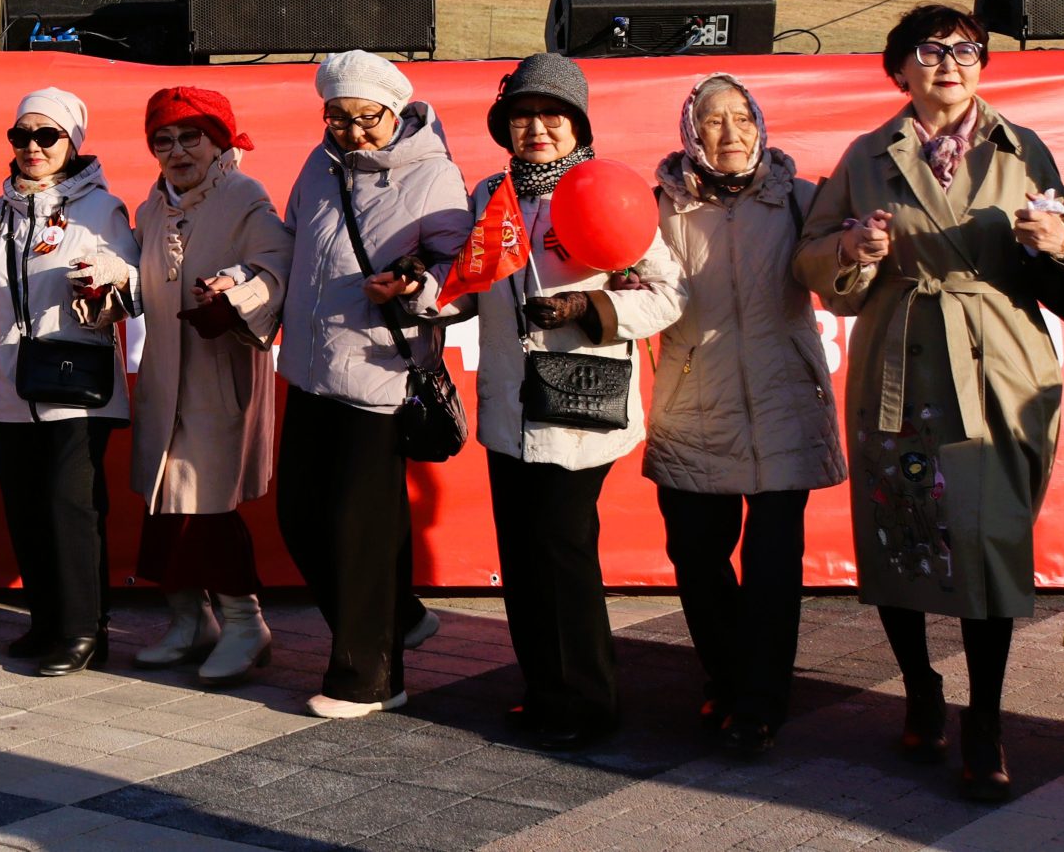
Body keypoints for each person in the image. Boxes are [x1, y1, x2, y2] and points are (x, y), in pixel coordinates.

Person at [794, 5, 1064, 800]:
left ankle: (985, 718)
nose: (950, 61)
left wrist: (1063, 243)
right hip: (904, 362)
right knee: (900, 530)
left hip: (1002, 364)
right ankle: (921, 687)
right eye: (930, 48)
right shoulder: (866, 154)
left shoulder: (1025, 146)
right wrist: (852, 249)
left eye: (966, 49)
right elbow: (811, 257)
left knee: (990, 541)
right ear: (899, 68)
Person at [385, 53, 682, 750]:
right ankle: (545, 692)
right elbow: (467, 288)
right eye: (522, 117)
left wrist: (591, 308)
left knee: (563, 552)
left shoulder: (606, 188)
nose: (538, 129)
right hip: (510, 408)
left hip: (580, 408)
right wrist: (419, 291)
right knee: (521, 557)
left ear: (578, 124)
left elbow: (670, 293)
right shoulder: (492, 194)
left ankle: (590, 702)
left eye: (553, 115)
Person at [646, 73, 844, 756]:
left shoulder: (800, 200)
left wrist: (857, 254)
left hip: (783, 399)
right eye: (713, 119)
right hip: (692, 404)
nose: (730, 132)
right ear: (690, 131)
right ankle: (728, 676)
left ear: (760, 125)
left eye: (743, 118)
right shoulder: (658, 206)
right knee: (697, 556)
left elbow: (840, 286)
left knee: (773, 564)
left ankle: (760, 702)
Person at [273, 52, 468, 718]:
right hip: (308, 370)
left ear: (396, 112)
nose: (353, 131)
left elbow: (459, 270)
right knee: (299, 517)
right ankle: (401, 616)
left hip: (379, 376)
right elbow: (291, 241)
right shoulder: (319, 164)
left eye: (367, 118)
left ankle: (370, 679)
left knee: (361, 537)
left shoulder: (433, 173)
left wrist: (415, 286)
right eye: (338, 117)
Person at [0, 87, 139, 677]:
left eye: (47, 135)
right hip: (13, 383)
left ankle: (86, 630)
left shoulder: (102, 209)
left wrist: (110, 278)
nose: (32, 146)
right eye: (21, 135)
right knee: (25, 505)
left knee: (71, 505)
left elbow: (137, 286)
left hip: (76, 384)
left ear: (72, 142)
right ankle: (46, 620)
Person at [125, 86, 294, 687]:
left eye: (190, 137)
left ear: (219, 141)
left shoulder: (244, 196)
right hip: (163, 377)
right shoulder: (150, 208)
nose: (177, 151)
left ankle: (245, 625)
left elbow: (275, 262)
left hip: (218, 377)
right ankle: (189, 620)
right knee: (164, 503)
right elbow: (133, 278)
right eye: (163, 140)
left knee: (208, 506)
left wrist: (236, 296)